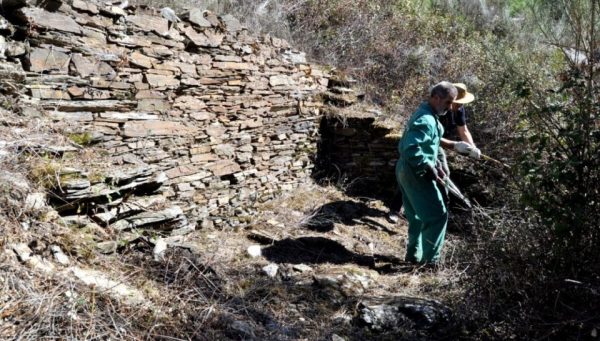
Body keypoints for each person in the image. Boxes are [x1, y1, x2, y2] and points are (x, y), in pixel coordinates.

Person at [396, 81, 478, 265]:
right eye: (448, 102)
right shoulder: (425, 119)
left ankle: (413, 256)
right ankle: (430, 263)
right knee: (437, 216)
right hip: (415, 172)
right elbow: (409, 148)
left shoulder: (427, 114)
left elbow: (430, 139)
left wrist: (453, 146)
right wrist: (427, 166)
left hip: (407, 170)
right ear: (436, 98)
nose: (450, 108)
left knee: (416, 217)